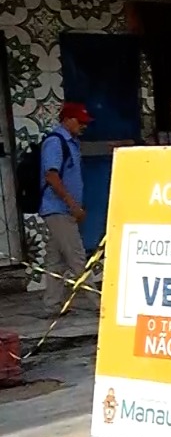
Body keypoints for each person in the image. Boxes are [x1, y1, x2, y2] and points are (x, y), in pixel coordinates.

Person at [40, 101, 96, 316]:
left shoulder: (72, 143)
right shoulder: (55, 142)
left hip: (63, 210)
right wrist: (72, 204)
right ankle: (99, 303)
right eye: (80, 122)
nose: (83, 126)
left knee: (56, 261)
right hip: (58, 209)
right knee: (77, 256)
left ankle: (51, 305)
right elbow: (51, 176)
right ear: (67, 120)